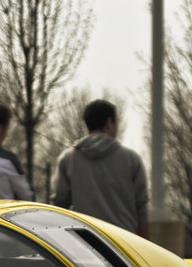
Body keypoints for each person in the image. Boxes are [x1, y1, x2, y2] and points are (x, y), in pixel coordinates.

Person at [51, 99, 149, 237]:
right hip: (126, 243)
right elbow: (141, 208)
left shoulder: (68, 159)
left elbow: (59, 206)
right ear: (109, 122)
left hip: (84, 243)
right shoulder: (131, 159)